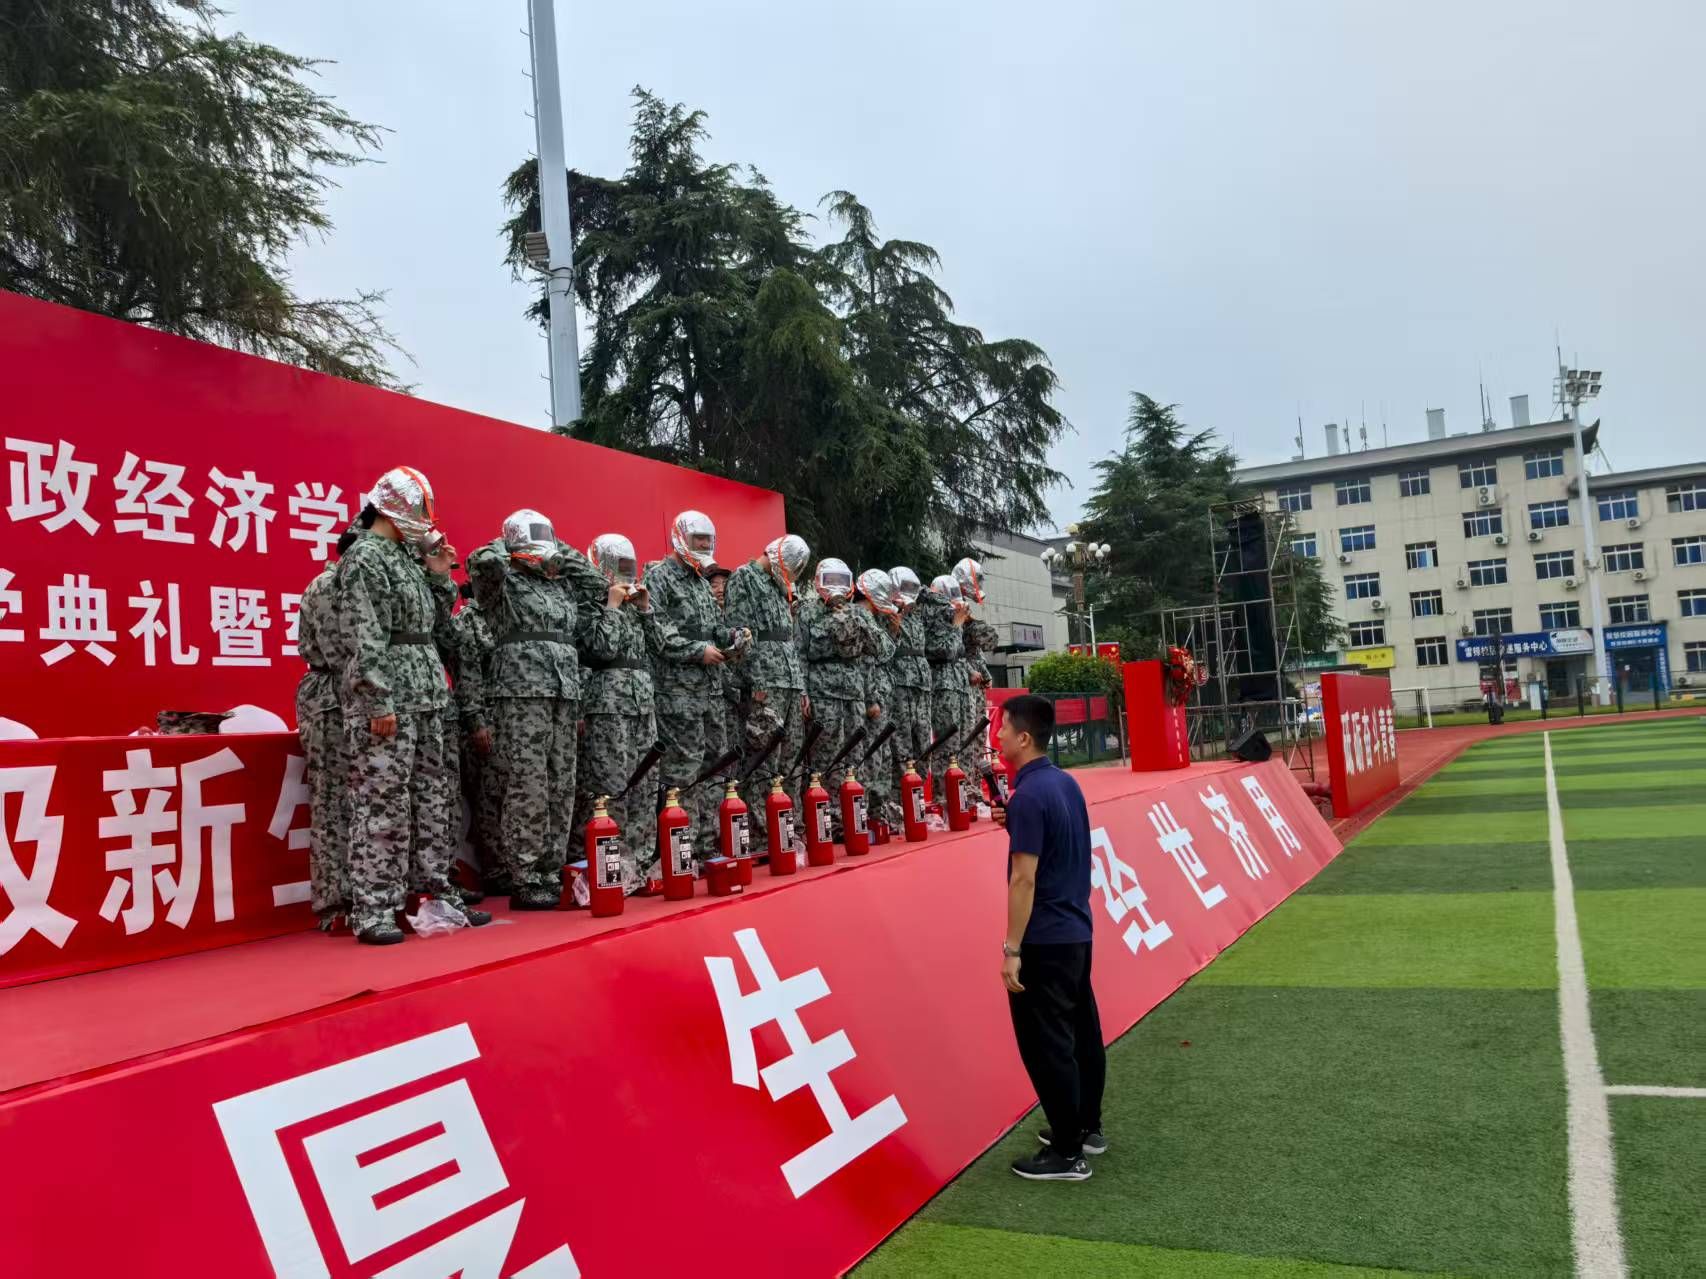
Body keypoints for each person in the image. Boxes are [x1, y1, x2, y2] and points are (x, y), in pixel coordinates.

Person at [336, 468, 490, 944]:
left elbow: (438, 629)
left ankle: (435, 894)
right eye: (419, 510)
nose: (426, 519)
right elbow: (364, 636)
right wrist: (378, 699)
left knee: (433, 800)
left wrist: (440, 576)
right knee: (382, 802)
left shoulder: (405, 557)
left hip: (427, 698)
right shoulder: (366, 557)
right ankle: (375, 908)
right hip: (391, 703)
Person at [468, 509, 616, 909]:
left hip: (564, 692)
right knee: (528, 783)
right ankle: (525, 874)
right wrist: (512, 544)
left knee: (561, 783)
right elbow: (480, 562)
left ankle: (551, 870)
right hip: (522, 693)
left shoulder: (561, 583)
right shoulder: (502, 582)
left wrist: (555, 546)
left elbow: (596, 583)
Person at [991, 693, 1104, 1182]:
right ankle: (1085, 1128)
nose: (997, 735)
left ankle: (1066, 1151)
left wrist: (1011, 949)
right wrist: (1016, 824)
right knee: (1082, 1034)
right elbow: (1058, 844)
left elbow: (1024, 880)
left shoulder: (1029, 796)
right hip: (1076, 931)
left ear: (1024, 737)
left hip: (1045, 938)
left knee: (1047, 1045)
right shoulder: (1064, 784)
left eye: (1003, 727)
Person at [644, 511, 748, 854]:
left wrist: (734, 636)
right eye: (697, 540)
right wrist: (698, 651)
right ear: (679, 538)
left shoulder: (703, 584)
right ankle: (682, 850)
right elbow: (658, 635)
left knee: (716, 766)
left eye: (707, 541)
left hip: (711, 692)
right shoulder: (659, 577)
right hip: (678, 694)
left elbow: (715, 629)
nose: (702, 546)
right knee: (683, 772)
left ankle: (709, 845)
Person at [571, 534, 671, 888]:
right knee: (613, 785)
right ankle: (614, 865)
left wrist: (645, 610)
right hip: (608, 705)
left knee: (645, 784)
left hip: (643, 705)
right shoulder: (588, 604)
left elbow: (661, 645)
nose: (625, 573)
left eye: (629, 566)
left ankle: (639, 864)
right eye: (618, 567)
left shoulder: (637, 604)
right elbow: (601, 650)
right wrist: (611, 606)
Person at [724, 535, 812, 841]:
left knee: (791, 758)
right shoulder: (744, 578)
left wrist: (801, 687)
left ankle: (790, 828)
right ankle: (764, 832)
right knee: (764, 758)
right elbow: (740, 635)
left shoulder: (779, 586)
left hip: (789, 681)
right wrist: (755, 681)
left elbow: (790, 641)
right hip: (766, 682)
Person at [295, 527, 358, 929]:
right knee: (333, 799)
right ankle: (334, 902)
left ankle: (368, 894)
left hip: (354, 693)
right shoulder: (329, 586)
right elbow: (344, 652)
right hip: (332, 697)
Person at [796, 558, 866, 830]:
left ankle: (854, 817)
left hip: (853, 693)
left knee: (854, 755)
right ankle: (828, 822)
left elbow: (875, 650)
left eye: (841, 581)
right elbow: (799, 654)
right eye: (830, 581)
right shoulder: (807, 612)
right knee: (826, 758)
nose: (836, 587)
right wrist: (803, 692)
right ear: (818, 583)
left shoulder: (856, 613)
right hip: (822, 693)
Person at [851, 568, 901, 826]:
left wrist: (892, 631)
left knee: (880, 756)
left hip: (878, 693)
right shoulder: (859, 616)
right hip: (868, 696)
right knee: (870, 757)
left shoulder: (873, 618)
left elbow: (884, 653)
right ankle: (866, 817)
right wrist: (871, 699)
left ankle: (875, 814)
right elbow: (868, 661)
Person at [920, 572, 971, 806]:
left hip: (956, 683)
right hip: (942, 684)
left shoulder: (948, 614)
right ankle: (943, 800)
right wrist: (956, 626)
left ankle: (959, 797)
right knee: (946, 745)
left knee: (961, 743)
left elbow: (959, 653)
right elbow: (945, 651)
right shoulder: (933, 612)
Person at [888, 568, 934, 793]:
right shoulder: (887, 613)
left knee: (923, 742)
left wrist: (919, 593)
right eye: (903, 587)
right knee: (901, 743)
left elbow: (937, 598)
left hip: (921, 685)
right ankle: (901, 798)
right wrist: (896, 615)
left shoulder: (918, 614)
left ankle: (918, 796)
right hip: (900, 684)